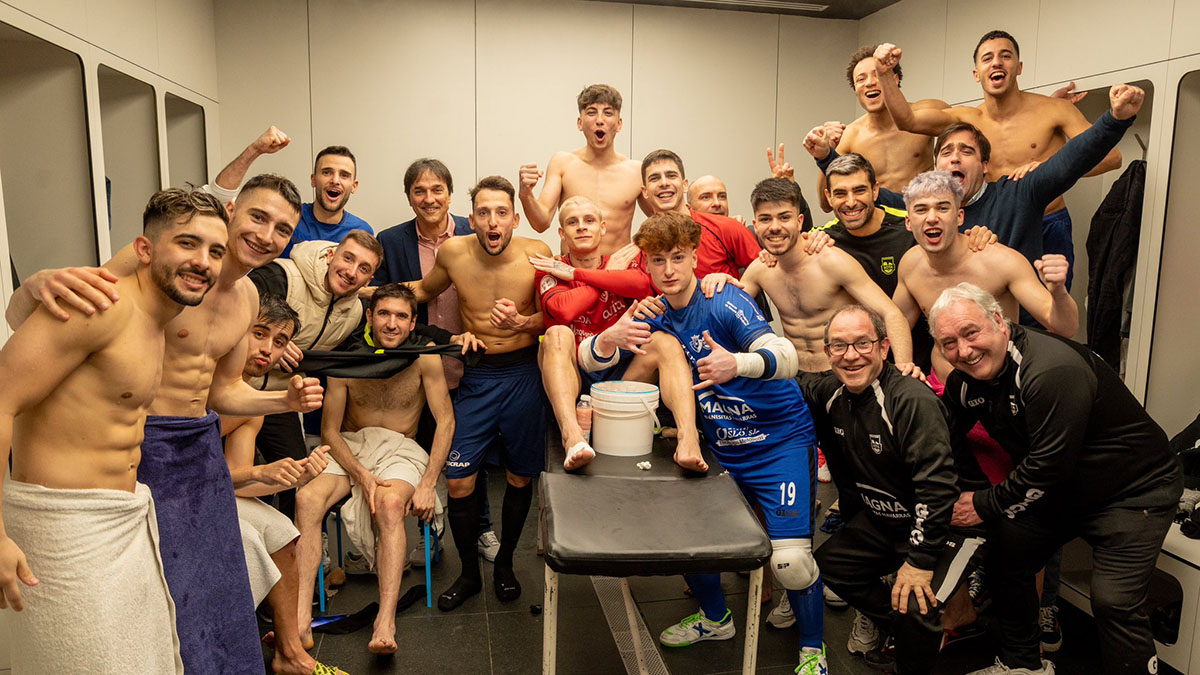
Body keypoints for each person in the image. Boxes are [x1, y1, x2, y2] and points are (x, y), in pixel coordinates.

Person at [8, 178, 325, 675]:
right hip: (132, 451)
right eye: (258, 217)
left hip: (195, 447)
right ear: (232, 209)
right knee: (156, 603)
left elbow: (222, 390)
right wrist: (32, 284)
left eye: (283, 228)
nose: (267, 235)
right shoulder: (139, 279)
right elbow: (56, 322)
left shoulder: (244, 299)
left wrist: (281, 399)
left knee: (215, 588)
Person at [0, 188, 230, 674]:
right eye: (187, 244)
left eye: (215, 251)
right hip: (62, 532)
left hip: (121, 521)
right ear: (144, 251)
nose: (203, 262)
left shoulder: (157, 322)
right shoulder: (102, 305)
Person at [607, 212, 827, 674]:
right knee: (688, 539)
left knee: (790, 564)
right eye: (658, 260)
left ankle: (812, 651)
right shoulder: (655, 312)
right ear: (645, 265)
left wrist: (738, 365)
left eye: (679, 258)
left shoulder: (723, 298)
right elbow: (606, 365)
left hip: (779, 442)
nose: (669, 270)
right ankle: (715, 618)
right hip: (723, 448)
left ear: (694, 258)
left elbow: (787, 356)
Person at [929, 283, 1182, 675]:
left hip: (1132, 490)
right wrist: (971, 486)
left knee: (1113, 600)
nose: (963, 350)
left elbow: (1048, 467)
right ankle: (1023, 665)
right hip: (1062, 492)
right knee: (1005, 557)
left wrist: (982, 504)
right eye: (949, 342)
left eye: (970, 332)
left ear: (999, 320)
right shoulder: (967, 382)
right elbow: (944, 435)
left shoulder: (1049, 370)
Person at [800, 305, 981, 674]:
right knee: (829, 567)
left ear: (884, 348)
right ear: (827, 353)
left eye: (862, 343)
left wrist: (918, 562)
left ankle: (917, 641)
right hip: (890, 520)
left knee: (915, 603)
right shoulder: (831, 391)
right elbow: (791, 379)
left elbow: (937, 489)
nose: (850, 356)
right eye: (839, 346)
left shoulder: (910, 400)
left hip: (950, 525)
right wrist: (739, 366)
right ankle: (912, 634)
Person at [404, 175, 551, 611]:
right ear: (472, 219)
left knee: (520, 477)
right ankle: (469, 573)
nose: (493, 221)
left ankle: (505, 562)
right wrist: (355, 291)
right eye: (484, 212)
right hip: (478, 375)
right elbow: (421, 292)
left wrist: (522, 323)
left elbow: (557, 316)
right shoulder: (453, 253)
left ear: (515, 218)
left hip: (524, 374)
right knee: (460, 478)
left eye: (501, 212)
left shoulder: (537, 254)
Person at [874, 35, 1123, 285]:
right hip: (991, 224)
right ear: (976, 73)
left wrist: (1052, 168)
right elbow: (908, 121)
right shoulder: (966, 119)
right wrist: (884, 74)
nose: (996, 63)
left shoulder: (1055, 109)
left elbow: (1112, 158)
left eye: (1005, 56)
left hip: (1048, 221)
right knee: (987, 301)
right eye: (987, 58)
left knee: (1049, 307)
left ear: (1019, 67)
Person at [295, 283, 456, 654]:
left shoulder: (424, 355)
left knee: (388, 505)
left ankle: (385, 620)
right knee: (306, 499)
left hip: (400, 448)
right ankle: (302, 618)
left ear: (414, 322)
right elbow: (329, 431)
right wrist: (361, 475)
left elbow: (445, 421)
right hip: (350, 446)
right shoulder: (347, 357)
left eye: (402, 316)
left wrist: (429, 483)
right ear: (369, 316)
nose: (392, 324)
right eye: (383, 314)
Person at [369, 157, 501, 567]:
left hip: (469, 360)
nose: (429, 198)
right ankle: (430, 536)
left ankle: (482, 529)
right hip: (418, 368)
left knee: (468, 451)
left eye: (437, 189)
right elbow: (383, 299)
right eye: (419, 191)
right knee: (425, 453)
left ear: (449, 192)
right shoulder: (390, 241)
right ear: (409, 198)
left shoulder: (473, 228)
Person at [528, 195, 705, 471]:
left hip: (620, 378)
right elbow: (564, 310)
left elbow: (641, 285)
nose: (582, 227)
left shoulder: (622, 261)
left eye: (589, 220)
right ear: (562, 232)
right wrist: (608, 276)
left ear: (603, 227)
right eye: (572, 222)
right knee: (556, 334)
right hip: (572, 377)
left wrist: (578, 274)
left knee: (665, 342)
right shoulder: (550, 268)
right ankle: (572, 437)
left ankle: (688, 439)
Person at [219, 293, 345, 675]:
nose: (267, 350)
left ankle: (290, 650)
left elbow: (234, 480)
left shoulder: (252, 402)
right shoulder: (198, 381)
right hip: (163, 491)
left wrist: (291, 473)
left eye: (279, 342)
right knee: (250, 537)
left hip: (212, 490)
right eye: (259, 333)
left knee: (283, 529)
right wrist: (260, 473)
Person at [704, 177, 918, 375]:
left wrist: (903, 370)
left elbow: (891, 314)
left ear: (799, 221)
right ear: (756, 225)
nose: (775, 227)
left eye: (784, 217)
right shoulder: (760, 269)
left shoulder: (831, 261)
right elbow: (726, 314)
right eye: (766, 219)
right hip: (795, 376)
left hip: (842, 376)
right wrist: (721, 281)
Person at [249, 230, 384, 517]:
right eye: (348, 258)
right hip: (233, 389)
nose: (350, 272)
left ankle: (283, 552)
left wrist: (443, 340)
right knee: (228, 475)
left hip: (279, 397)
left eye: (363, 269)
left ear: (368, 281)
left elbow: (388, 337)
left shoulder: (356, 313)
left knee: (295, 477)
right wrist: (270, 342)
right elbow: (228, 310)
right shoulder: (281, 276)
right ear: (329, 255)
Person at [892, 170, 1079, 379]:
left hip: (1000, 386)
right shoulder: (910, 264)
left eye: (943, 208)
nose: (932, 218)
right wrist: (904, 368)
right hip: (944, 388)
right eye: (921, 210)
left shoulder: (1000, 261)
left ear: (960, 216)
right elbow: (895, 323)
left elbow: (1066, 328)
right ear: (908, 222)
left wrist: (1058, 291)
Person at [809, 45, 948, 213]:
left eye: (877, 75)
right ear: (855, 89)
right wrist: (826, 151)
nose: (869, 83)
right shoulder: (851, 136)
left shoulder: (927, 112)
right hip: (877, 225)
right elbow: (825, 204)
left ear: (894, 78)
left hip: (921, 215)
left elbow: (974, 139)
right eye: (861, 79)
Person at [519, 84, 649, 255]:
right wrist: (525, 194)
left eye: (608, 113)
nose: (600, 120)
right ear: (580, 123)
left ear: (619, 124)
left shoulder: (636, 171)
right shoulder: (563, 163)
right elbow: (541, 223)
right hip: (573, 271)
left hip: (617, 272)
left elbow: (664, 220)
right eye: (591, 112)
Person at [209, 126, 372, 257]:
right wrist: (255, 150)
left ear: (354, 186)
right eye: (327, 172)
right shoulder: (287, 218)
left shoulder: (361, 231)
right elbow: (218, 199)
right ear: (313, 180)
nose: (335, 180)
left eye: (344, 175)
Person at [641, 149, 763, 279]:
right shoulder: (643, 245)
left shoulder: (728, 228)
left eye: (671, 175)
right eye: (654, 178)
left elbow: (768, 272)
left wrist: (732, 291)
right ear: (645, 191)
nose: (664, 183)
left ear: (685, 185)